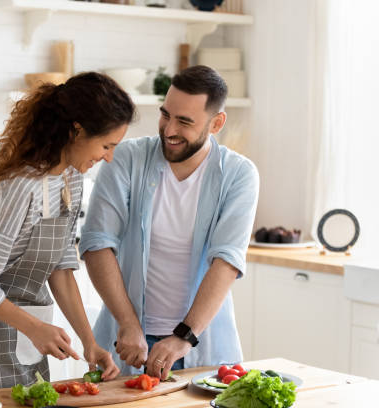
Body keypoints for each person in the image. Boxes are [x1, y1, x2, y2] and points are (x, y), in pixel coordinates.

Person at [0, 72, 135, 391]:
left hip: (29, 341)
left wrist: (89, 342)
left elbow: (60, 268)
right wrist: (35, 329)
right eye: (106, 145)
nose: (109, 157)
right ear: (76, 130)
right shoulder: (20, 188)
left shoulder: (70, 180)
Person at [79, 65, 259, 379]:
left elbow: (227, 260)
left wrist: (184, 336)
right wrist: (128, 323)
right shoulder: (125, 159)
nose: (169, 129)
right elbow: (97, 244)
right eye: (166, 115)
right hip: (126, 343)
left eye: (185, 121)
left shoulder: (239, 174)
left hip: (200, 345)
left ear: (216, 123)